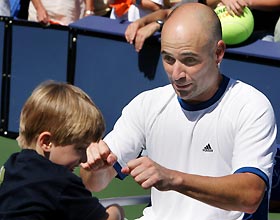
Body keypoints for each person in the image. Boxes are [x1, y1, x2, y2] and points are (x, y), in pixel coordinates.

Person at [80, 3, 277, 219]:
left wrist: (173, 179)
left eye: (189, 60)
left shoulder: (251, 106)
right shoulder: (147, 104)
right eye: (168, 59)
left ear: (218, 52)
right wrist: (95, 169)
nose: (176, 74)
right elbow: (95, 183)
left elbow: (250, 195)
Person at [0, 81, 125, 220]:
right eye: (80, 148)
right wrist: (117, 211)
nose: (84, 158)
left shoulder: (12, 166)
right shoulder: (61, 182)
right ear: (46, 142)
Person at [125, 0, 280, 51]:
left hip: (259, 45)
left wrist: (247, 2)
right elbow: (169, 13)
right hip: (217, 56)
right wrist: (144, 23)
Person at [28, 0, 94, 25]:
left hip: (71, 12)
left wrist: (89, 11)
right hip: (41, 12)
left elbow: (89, 9)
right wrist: (39, 8)